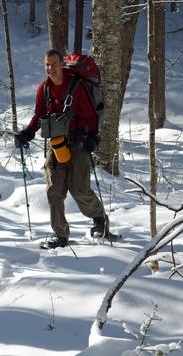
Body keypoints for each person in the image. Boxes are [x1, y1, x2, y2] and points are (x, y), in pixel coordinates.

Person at [15, 49, 109, 248]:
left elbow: (92, 116)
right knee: (54, 191)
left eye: (54, 64)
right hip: (56, 144)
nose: (50, 68)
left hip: (79, 143)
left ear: (61, 64)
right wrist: (28, 132)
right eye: (47, 65)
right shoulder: (44, 89)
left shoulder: (77, 87)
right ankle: (61, 236)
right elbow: (39, 114)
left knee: (79, 189)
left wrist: (93, 138)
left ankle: (100, 219)